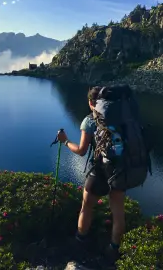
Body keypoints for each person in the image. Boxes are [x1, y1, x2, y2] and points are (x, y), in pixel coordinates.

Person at [57, 86, 125, 266]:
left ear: (90, 103)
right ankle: (113, 249)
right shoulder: (122, 117)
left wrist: (65, 141)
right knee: (118, 213)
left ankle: (80, 242)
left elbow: (81, 151)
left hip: (101, 171)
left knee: (86, 207)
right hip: (121, 170)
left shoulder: (90, 120)